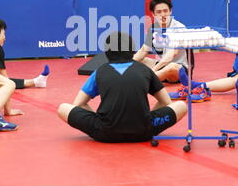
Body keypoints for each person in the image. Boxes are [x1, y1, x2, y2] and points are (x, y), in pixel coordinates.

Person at [57, 31, 187, 143]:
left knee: (63, 108)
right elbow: (166, 102)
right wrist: (148, 117)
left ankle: (105, 125)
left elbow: (78, 104)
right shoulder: (145, 70)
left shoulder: (100, 71)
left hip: (105, 133)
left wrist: (99, 121)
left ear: (107, 51)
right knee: (181, 106)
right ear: (132, 50)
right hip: (144, 131)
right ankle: (144, 122)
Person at [133, 0, 188, 82]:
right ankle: (154, 77)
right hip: (161, 66)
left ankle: (146, 79)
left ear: (170, 11)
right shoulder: (153, 28)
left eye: (165, 11)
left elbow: (172, 54)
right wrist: (125, 65)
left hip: (178, 68)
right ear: (153, 14)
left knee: (171, 67)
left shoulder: (179, 28)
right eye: (159, 12)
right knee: (139, 61)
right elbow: (143, 50)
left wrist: (153, 70)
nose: (163, 15)